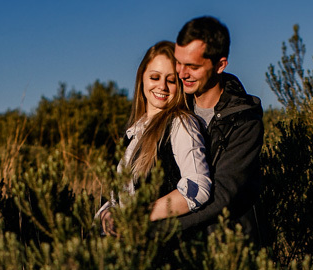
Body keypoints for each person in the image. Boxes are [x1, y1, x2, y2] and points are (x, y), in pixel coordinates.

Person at [99, 41, 211, 235]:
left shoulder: (181, 124)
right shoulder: (131, 134)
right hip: (123, 250)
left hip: (161, 249)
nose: (162, 86)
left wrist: (138, 215)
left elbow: (198, 187)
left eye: (171, 80)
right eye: (155, 77)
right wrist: (106, 215)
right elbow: (113, 198)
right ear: (142, 78)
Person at [172, 16, 263, 245]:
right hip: (176, 254)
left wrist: (160, 228)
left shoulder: (245, 119)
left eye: (192, 66)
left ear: (220, 65)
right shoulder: (173, 107)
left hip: (229, 250)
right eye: (178, 62)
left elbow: (222, 196)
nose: (182, 73)